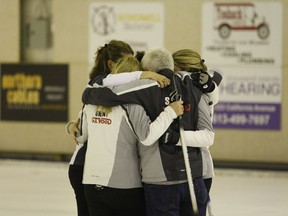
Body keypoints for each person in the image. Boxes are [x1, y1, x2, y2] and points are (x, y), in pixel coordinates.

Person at [81, 47, 216, 216]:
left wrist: (87, 96)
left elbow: (95, 91)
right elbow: (211, 102)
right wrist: (210, 86)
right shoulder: (196, 86)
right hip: (196, 176)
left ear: (147, 71)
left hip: (160, 180)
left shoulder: (141, 88)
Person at [66, 40, 170, 216]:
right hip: (110, 177)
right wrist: (171, 113)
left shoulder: (93, 99)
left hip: (90, 177)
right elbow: (147, 136)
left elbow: (81, 133)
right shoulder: (120, 99)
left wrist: (72, 126)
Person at [173, 49, 222, 216]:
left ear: (178, 66)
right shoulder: (194, 86)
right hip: (186, 167)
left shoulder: (198, 90)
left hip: (200, 167)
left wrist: (174, 138)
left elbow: (207, 135)